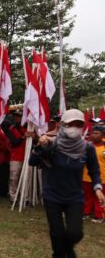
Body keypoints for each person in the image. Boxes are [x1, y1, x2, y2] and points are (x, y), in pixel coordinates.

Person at [29, 109, 105, 258]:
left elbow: (94, 171)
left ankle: (67, 249)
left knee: (75, 233)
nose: (74, 128)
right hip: (52, 195)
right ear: (63, 125)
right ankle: (59, 254)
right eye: (71, 124)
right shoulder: (52, 144)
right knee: (56, 234)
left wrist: (97, 188)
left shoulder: (86, 148)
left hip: (74, 197)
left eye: (78, 125)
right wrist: (39, 145)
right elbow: (33, 162)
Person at [82, 125, 105, 223]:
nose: (94, 135)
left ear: (103, 135)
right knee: (87, 196)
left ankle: (99, 216)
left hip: (102, 177)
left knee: (99, 197)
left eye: (97, 133)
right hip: (86, 176)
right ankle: (86, 213)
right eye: (92, 133)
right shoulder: (87, 146)